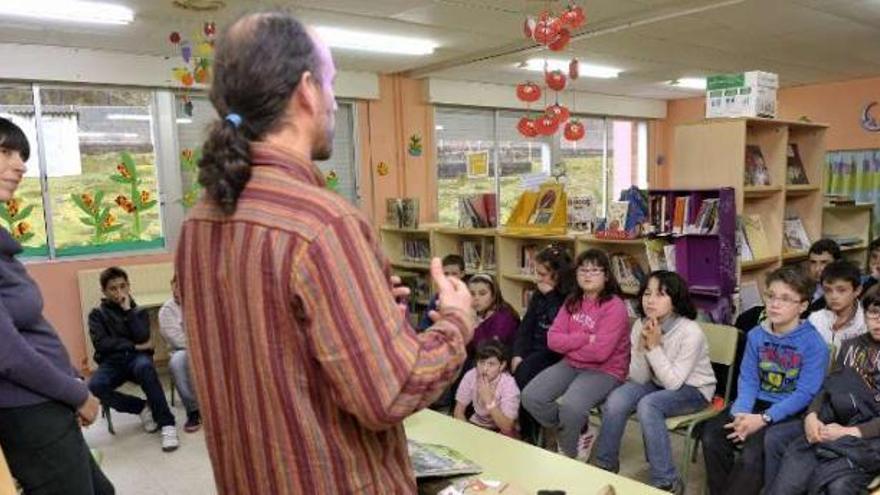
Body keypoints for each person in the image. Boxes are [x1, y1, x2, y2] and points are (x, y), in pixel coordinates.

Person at [175, 12, 475, 494]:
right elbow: (390, 392)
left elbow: (275, 346)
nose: (334, 102)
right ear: (308, 90)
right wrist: (457, 320)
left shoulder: (198, 221)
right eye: (332, 83)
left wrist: (369, 309)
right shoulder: (323, 224)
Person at [0, 117, 115, 494]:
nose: (20, 165)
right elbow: (9, 354)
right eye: (5, 152)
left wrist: (69, 379)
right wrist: (76, 394)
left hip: (46, 399)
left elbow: (31, 331)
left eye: (21, 155)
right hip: (28, 410)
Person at [701, 266, 829, 495]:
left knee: (753, 454)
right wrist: (741, 412)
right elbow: (748, 378)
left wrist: (763, 419)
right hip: (754, 403)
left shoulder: (814, 344)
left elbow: (805, 394)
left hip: (789, 410)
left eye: (786, 299)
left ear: (803, 306)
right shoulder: (756, 335)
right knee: (712, 435)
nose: (775, 304)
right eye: (771, 296)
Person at [594, 271, 716, 494]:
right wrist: (642, 347)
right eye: (647, 293)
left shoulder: (690, 332)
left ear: (676, 300)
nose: (650, 300)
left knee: (649, 405)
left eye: (660, 294)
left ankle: (666, 480)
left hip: (694, 389)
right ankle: (604, 466)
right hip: (657, 382)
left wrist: (654, 347)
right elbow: (639, 377)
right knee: (617, 399)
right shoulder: (641, 325)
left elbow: (673, 384)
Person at [765, 287, 880, 495]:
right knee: (785, 456)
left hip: (869, 434)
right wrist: (812, 415)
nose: (878, 321)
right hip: (835, 419)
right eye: (873, 313)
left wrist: (847, 432)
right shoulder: (851, 345)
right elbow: (828, 385)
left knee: (837, 484)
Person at [521, 249, 630, 461]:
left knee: (571, 407)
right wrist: (584, 338)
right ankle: (580, 430)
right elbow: (552, 340)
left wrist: (569, 342)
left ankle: (568, 457)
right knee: (531, 397)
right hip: (571, 363)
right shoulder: (573, 300)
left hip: (606, 371)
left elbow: (600, 353)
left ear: (606, 275)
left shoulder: (614, 306)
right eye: (583, 270)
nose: (588, 275)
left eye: (595, 270)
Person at [86, 267, 179, 452]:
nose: (119, 292)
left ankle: (167, 424)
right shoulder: (97, 314)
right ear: (104, 291)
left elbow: (143, 336)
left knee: (145, 368)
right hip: (111, 362)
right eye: (113, 288)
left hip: (137, 360)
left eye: (123, 286)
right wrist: (135, 346)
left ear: (129, 286)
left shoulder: (137, 311)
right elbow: (103, 344)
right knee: (95, 385)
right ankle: (141, 408)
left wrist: (128, 311)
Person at [511, 244, 574, 444]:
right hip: (535, 349)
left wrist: (550, 296)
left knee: (525, 373)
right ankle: (516, 423)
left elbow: (560, 326)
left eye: (543, 274)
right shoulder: (539, 293)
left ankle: (529, 433)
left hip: (555, 352)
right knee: (506, 361)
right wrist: (517, 353)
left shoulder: (570, 297)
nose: (538, 278)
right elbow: (526, 326)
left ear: (558, 274)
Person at [158, 275, 201, 432]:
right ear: (172, 286)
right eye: (177, 286)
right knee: (177, 362)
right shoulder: (167, 310)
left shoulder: (200, 305)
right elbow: (178, 340)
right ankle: (193, 410)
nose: (180, 290)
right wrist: (199, 347)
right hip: (182, 351)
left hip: (204, 348)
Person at [454, 341, 520, 437]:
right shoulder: (471, 375)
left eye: (491, 364)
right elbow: (458, 412)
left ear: (502, 366)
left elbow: (507, 428)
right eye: (482, 362)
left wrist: (489, 400)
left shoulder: (509, 385)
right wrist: (468, 435)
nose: (484, 369)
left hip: (501, 431)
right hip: (475, 424)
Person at [808, 260, 865, 352]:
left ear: (857, 290)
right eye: (828, 290)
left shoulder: (868, 321)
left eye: (841, 290)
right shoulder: (815, 319)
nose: (833, 296)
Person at [467, 273, 520, 356]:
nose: (476, 298)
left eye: (482, 293)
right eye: (472, 294)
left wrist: (475, 324)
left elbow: (488, 352)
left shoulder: (503, 317)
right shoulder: (475, 312)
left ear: (493, 295)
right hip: (480, 360)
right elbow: (468, 349)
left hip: (498, 361)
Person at [419, 254, 465, 331]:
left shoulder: (467, 297)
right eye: (446, 274)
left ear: (462, 274)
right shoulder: (437, 296)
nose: (450, 277)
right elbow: (425, 322)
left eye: (454, 274)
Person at [806, 239, 843, 313]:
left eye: (824, 262)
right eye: (813, 262)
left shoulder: (843, 294)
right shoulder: (805, 288)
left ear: (838, 263)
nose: (817, 269)